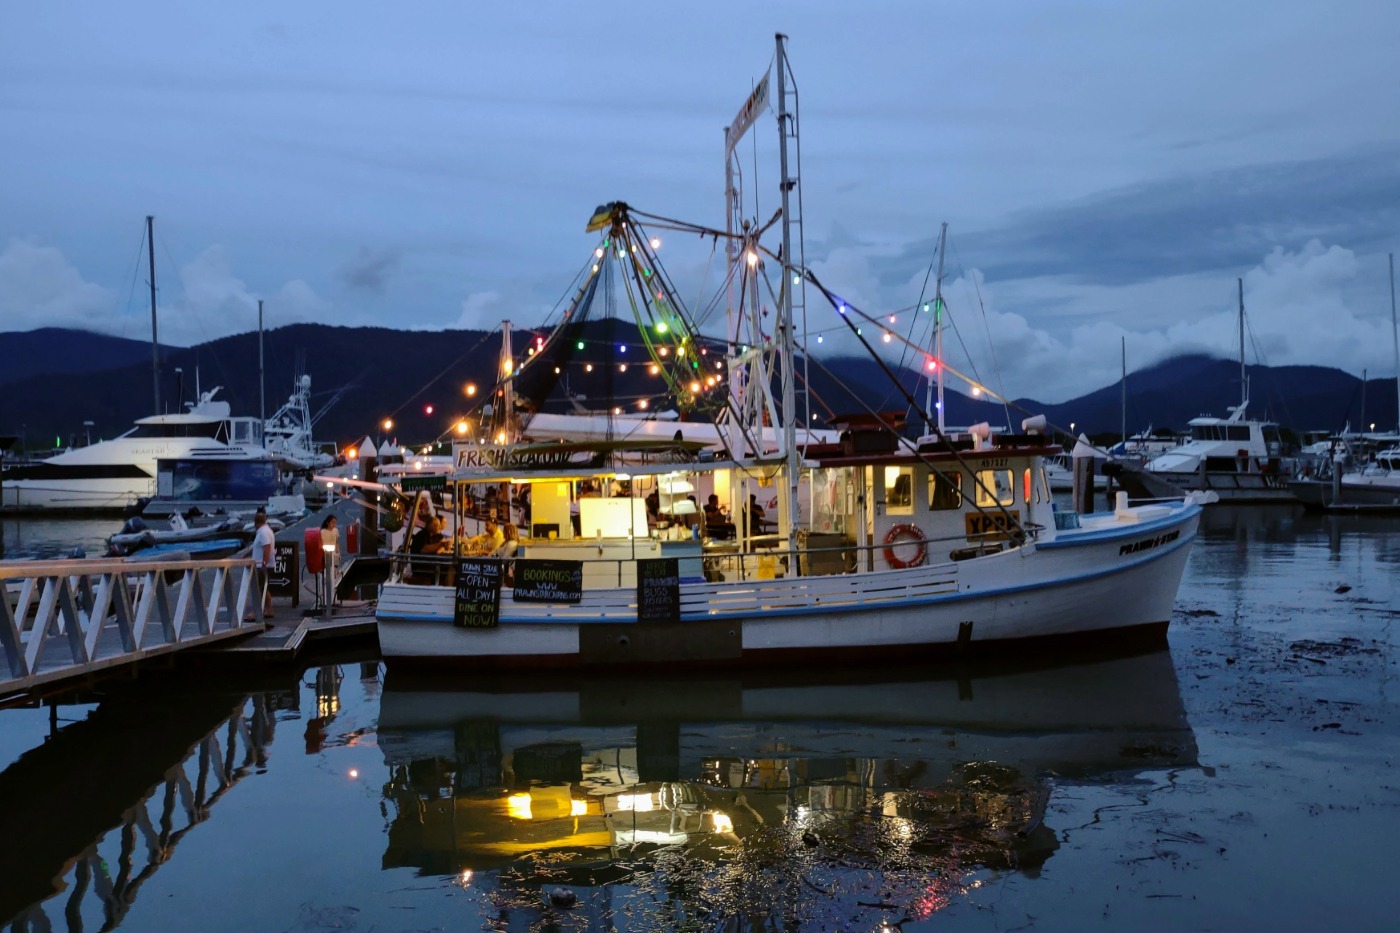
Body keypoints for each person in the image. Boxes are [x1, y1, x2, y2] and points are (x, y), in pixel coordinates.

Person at [249, 511, 275, 622]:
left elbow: (267, 548)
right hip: (263, 564)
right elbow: (257, 547)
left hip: (262, 565)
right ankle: (269, 610)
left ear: (256, 523)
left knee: (258, 589)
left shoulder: (263, 532)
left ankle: (256, 612)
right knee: (265, 588)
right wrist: (246, 555)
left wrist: (264, 563)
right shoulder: (266, 531)